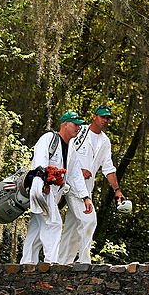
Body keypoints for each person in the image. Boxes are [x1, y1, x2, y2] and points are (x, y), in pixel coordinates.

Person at [21, 111, 93, 265]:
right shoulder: (49, 139)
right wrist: (43, 182)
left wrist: (85, 197)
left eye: (80, 125)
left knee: (36, 230)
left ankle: (27, 264)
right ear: (64, 124)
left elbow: (75, 175)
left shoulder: (71, 148)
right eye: (75, 125)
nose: (78, 128)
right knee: (54, 224)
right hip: (41, 189)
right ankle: (52, 264)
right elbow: (40, 162)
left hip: (50, 193)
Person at [59, 105, 126, 265]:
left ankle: (61, 263)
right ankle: (84, 262)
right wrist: (75, 169)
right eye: (102, 116)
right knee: (89, 220)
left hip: (86, 189)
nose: (105, 120)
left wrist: (117, 190)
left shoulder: (105, 141)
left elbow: (108, 168)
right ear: (94, 117)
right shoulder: (79, 131)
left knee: (72, 226)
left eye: (107, 118)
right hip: (72, 183)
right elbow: (64, 149)